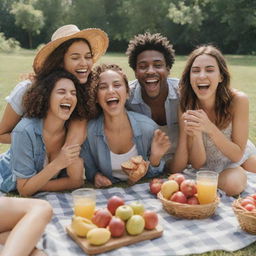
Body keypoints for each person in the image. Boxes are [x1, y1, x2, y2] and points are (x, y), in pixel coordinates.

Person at [0, 24, 108, 146]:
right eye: (75, 57)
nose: (84, 63)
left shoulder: (90, 92)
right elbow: (2, 135)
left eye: (88, 57)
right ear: (60, 62)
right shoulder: (28, 90)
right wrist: (38, 141)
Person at [171, 44, 256, 196]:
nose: (202, 75)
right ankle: (239, 174)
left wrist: (209, 127)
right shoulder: (186, 105)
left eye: (209, 70)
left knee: (241, 173)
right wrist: (196, 135)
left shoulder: (238, 100)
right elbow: (197, 164)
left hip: (238, 154)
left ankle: (242, 170)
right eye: (195, 71)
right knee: (232, 185)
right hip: (210, 163)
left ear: (221, 76)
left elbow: (237, 154)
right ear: (189, 77)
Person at [0, 70, 92, 196]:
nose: (69, 96)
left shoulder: (73, 133)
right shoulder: (24, 132)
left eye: (73, 93)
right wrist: (57, 164)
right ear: (46, 97)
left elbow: (76, 182)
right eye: (61, 92)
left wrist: (32, 185)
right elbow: (24, 190)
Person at [81, 64, 170, 188]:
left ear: (127, 93)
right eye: (102, 87)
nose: (111, 91)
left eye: (117, 85)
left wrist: (155, 159)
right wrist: (96, 176)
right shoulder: (88, 133)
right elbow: (90, 170)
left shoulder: (148, 129)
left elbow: (154, 176)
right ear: (96, 97)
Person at [125, 32, 179, 162]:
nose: (150, 71)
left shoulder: (184, 93)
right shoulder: (126, 97)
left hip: (182, 163)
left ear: (168, 69)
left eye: (158, 65)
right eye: (143, 67)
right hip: (148, 163)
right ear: (135, 72)